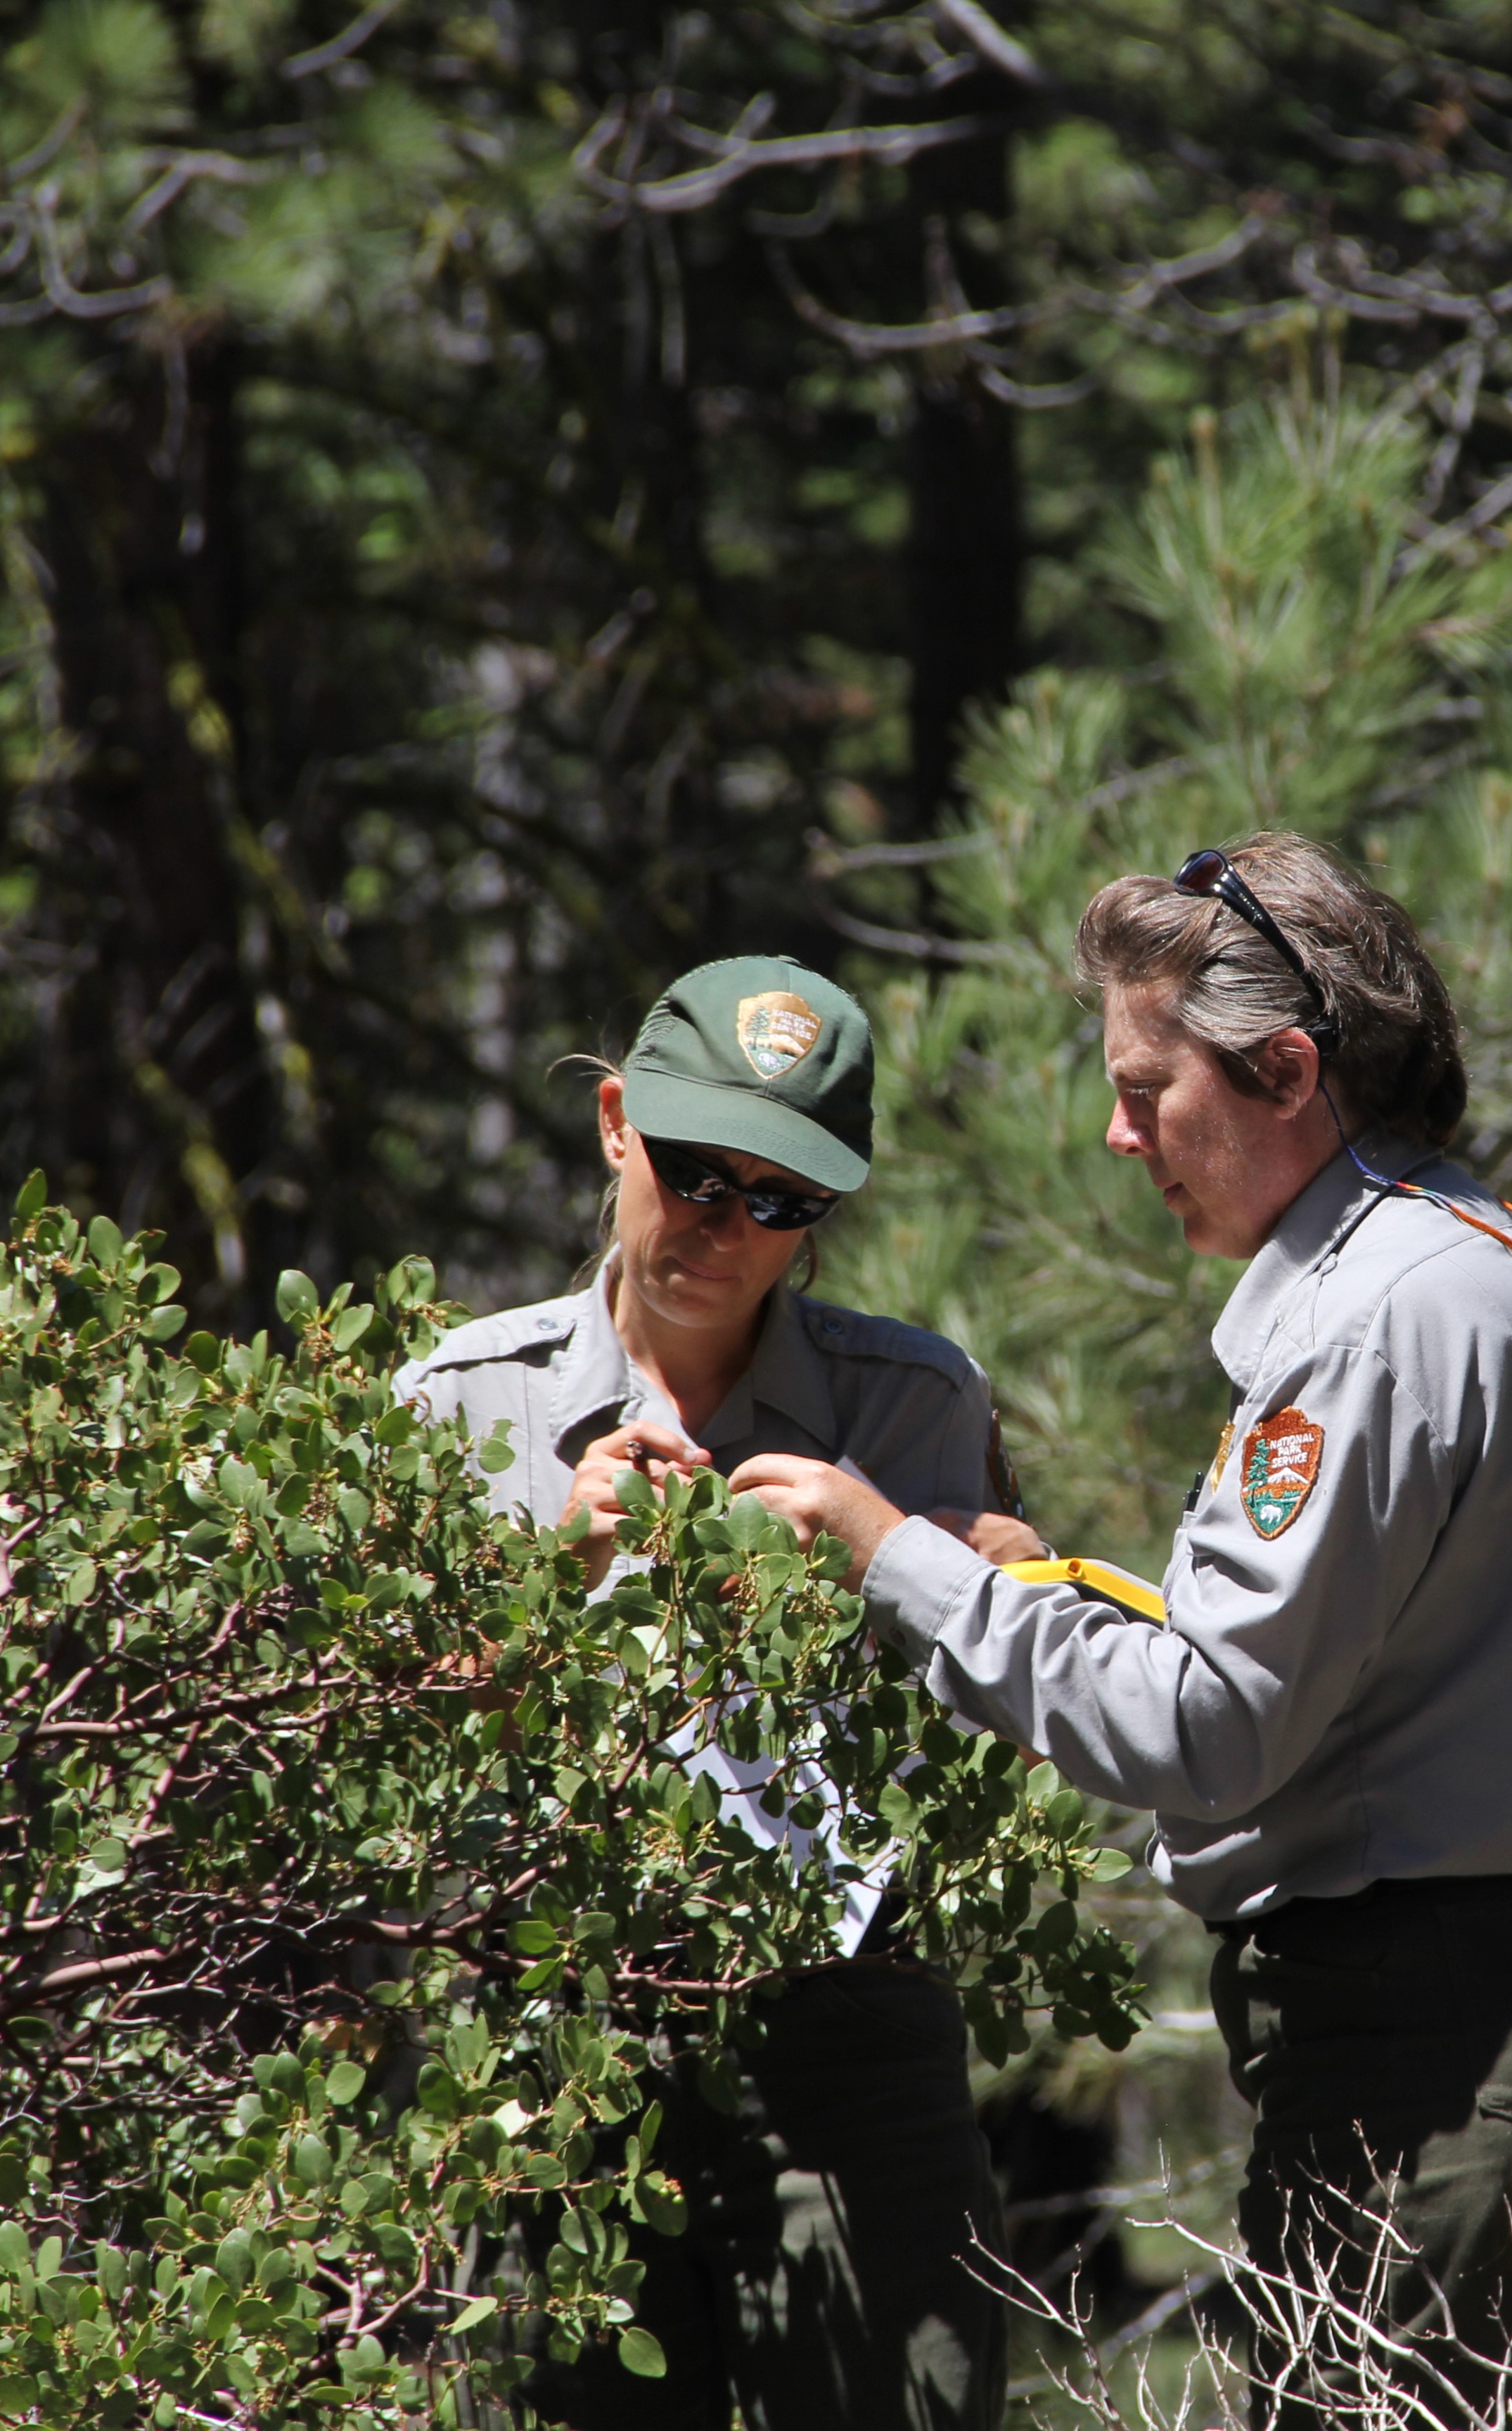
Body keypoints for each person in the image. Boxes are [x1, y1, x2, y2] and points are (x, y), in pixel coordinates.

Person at [731, 838, 1512, 2425]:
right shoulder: (1478, 1249)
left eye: (1148, 1088)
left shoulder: (1366, 1318)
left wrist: (891, 1556)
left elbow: (1209, 1732)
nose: (1120, 1137)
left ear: (1285, 1070)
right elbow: (1344, 1665)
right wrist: (1041, 1589)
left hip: (1448, 2046)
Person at [394, 954, 1039, 2431]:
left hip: (855, 2042)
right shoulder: (460, 1405)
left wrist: (944, 1554)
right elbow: (375, 1749)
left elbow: (1011, 1686)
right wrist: (555, 1578)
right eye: (694, 1174)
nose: (723, 1230)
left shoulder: (915, 1403)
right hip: (558, 2035)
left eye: (782, 1201)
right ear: (616, 1124)